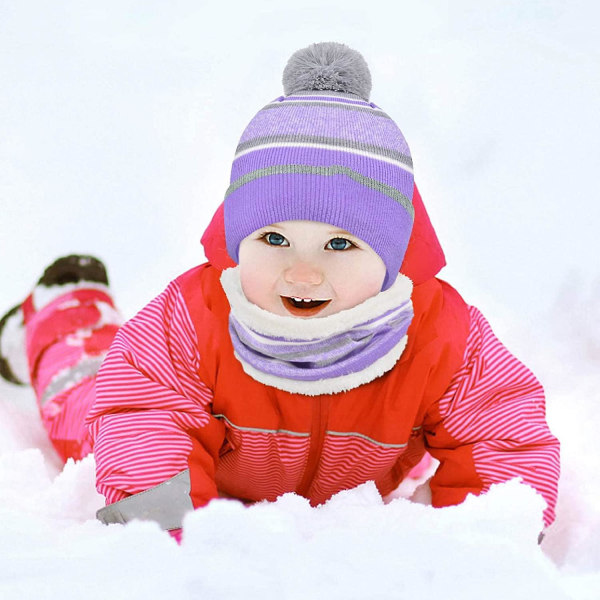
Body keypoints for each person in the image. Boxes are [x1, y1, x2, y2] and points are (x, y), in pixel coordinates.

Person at [0, 42, 560, 536]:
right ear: (236, 239)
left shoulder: (439, 333)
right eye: (274, 238)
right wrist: (165, 545)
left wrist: (488, 543)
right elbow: (145, 411)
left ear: (392, 257)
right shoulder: (195, 318)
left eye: (340, 245)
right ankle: (63, 312)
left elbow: (502, 434)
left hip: (360, 474)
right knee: (92, 403)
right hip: (207, 468)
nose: (302, 272)